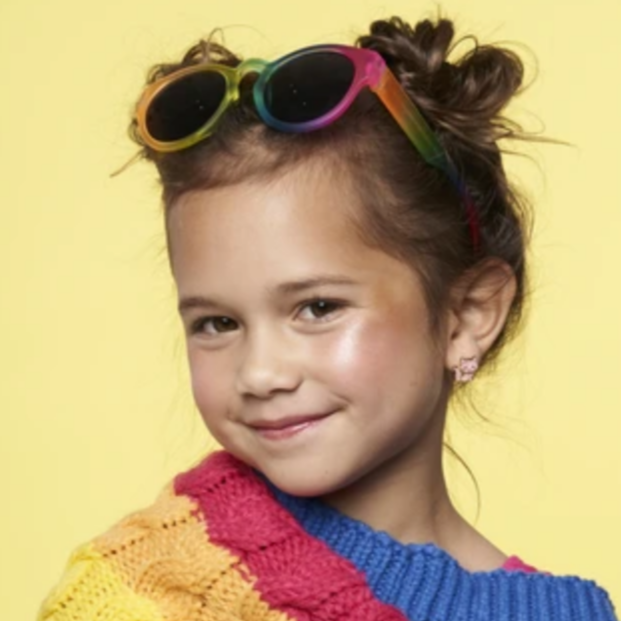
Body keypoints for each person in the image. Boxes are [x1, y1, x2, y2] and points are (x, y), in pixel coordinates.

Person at [37, 14, 617, 621]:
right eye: (217, 323)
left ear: (467, 316)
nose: (260, 374)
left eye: (317, 308)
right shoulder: (152, 583)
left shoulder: (568, 613)